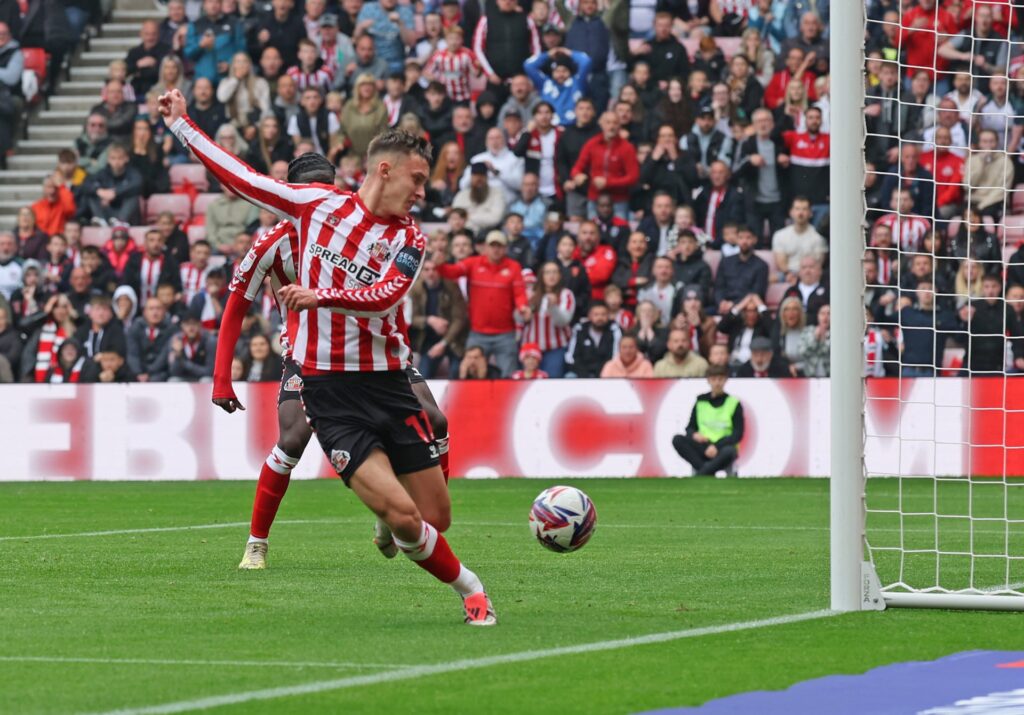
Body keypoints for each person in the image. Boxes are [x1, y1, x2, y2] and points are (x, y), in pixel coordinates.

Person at [164, 85, 494, 623]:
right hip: (329, 391)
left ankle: (399, 525)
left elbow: (385, 296)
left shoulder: (410, 238)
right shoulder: (315, 206)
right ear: (384, 170)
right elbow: (243, 178)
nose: (422, 193)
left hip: (388, 382)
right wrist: (182, 124)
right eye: (416, 179)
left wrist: (323, 295)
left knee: (436, 517)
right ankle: (472, 591)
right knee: (406, 517)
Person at [435, 230, 529, 377]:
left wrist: (523, 307)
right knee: (470, 374)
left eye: (500, 246)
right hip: (478, 332)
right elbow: (452, 272)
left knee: (508, 376)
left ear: (505, 248)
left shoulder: (514, 267)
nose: (496, 249)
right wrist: (440, 265)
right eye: (492, 246)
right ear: (485, 248)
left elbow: (519, 293)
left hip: (505, 333)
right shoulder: (473, 263)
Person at [671, 364, 743, 477]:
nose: (717, 383)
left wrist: (716, 446)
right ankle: (706, 470)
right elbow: (690, 428)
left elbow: (737, 434)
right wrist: (694, 435)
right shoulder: (701, 402)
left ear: (725, 380)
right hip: (703, 446)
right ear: (708, 380)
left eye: (720, 379)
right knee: (677, 440)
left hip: (722, 447)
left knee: (730, 451)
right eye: (714, 379)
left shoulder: (733, 403)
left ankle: (702, 472)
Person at [570, 111, 639, 220]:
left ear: (619, 126)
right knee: (593, 232)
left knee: (619, 232)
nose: (611, 126)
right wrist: (577, 175)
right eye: (608, 122)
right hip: (595, 198)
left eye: (615, 123)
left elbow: (633, 177)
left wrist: (608, 182)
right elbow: (577, 167)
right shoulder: (592, 144)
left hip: (618, 200)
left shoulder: (627, 147)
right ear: (601, 124)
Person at [409, 258, 468, 379]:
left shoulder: (452, 287)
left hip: (453, 340)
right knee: (423, 376)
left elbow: (459, 318)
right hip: (428, 340)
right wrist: (429, 320)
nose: (431, 273)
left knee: (456, 373)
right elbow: (411, 318)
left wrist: (443, 343)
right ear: (421, 272)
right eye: (426, 269)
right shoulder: (415, 289)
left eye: (434, 269)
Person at [520, 260, 574, 377]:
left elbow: (563, 321)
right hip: (531, 348)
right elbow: (518, 319)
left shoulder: (566, 295)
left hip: (555, 348)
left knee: (552, 385)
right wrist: (523, 314)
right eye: (548, 272)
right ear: (541, 275)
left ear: (560, 275)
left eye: (555, 272)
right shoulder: (530, 294)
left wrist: (553, 307)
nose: (552, 276)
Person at [565, 300, 621, 378]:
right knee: (569, 376)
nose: (600, 318)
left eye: (603, 314)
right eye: (596, 314)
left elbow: (616, 356)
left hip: (606, 374)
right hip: (582, 374)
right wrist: (585, 375)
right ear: (589, 316)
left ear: (608, 315)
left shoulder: (614, 329)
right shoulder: (579, 329)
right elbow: (571, 357)